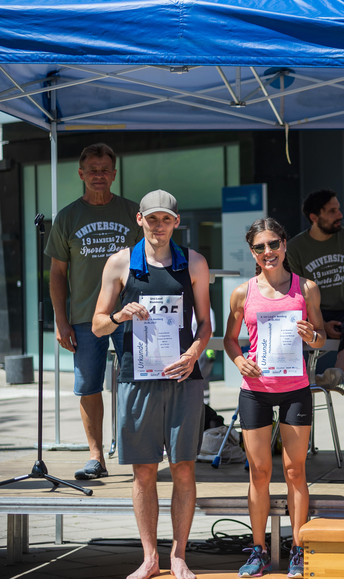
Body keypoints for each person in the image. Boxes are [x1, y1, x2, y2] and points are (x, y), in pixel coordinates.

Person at [92, 190, 211, 579]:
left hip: (182, 377)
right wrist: (119, 314)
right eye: (152, 219)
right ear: (139, 220)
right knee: (143, 471)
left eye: (167, 219)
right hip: (135, 378)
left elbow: (206, 324)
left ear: (177, 223)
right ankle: (149, 557)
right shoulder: (120, 263)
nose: (159, 226)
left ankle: (178, 555)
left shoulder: (193, 262)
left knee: (183, 468)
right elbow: (97, 325)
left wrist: (194, 352)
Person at [224, 218, 326, 578]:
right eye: (259, 247)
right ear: (252, 252)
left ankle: (298, 548)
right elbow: (230, 339)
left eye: (273, 244)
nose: (268, 252)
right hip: (256, 391)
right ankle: (258, 549)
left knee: (295, 470)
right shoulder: (242, 292)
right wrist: (239, 360)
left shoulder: (307, 288)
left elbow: (321, 338)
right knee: (260, 472)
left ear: (284, 244)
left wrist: (311, 335)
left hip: (295, 388)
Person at [44, 143, 141, 480]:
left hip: (132, 315)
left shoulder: (133, 213)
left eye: (105, 170)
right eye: (93, 170)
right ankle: (96, 457)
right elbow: (57, 273)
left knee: (135, 381)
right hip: (85, 317)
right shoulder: (67, 217)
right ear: (81, 174)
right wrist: (61, 319)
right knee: (88, 386)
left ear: (114, 175)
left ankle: (136, 452)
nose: (99, 175)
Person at [287, 189, 344, 389]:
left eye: (338, 210)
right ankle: (293, 382)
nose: (340, 215)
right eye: (332, 211)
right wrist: (322, 323)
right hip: (313, 311)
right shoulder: (295, 248)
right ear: (314, 217)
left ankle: (336, 373)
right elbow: (295, 293)